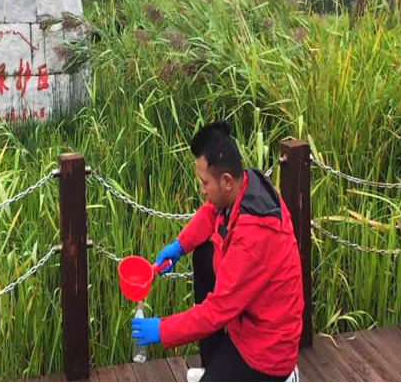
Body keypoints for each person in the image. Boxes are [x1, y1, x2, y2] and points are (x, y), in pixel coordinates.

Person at [130, 122, 304, 383]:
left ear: (225, 182)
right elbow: (212, 212)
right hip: (249, 321)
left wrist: (161, 330)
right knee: (203, 254)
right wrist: (179, 246)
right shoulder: (245, 183)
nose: (202, 190)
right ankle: (214, 367)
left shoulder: (253, 237)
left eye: (204, 183)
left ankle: (284, 378)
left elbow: (215, 312)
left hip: (268, 350)